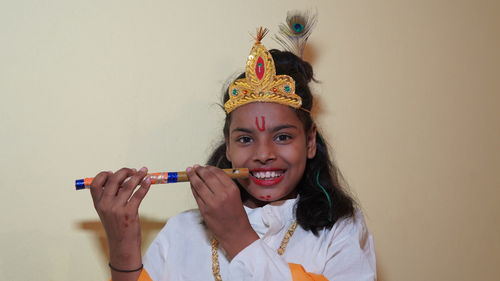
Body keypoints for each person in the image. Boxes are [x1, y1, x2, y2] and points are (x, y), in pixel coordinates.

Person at [89, 27, 376, 281]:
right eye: (245, 139)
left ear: (310, 141)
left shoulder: (341, 229)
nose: (263, 154)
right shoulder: (181, 231)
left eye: (283, 137)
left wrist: (238, 236)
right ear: (228, 146)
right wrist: (123, 247)